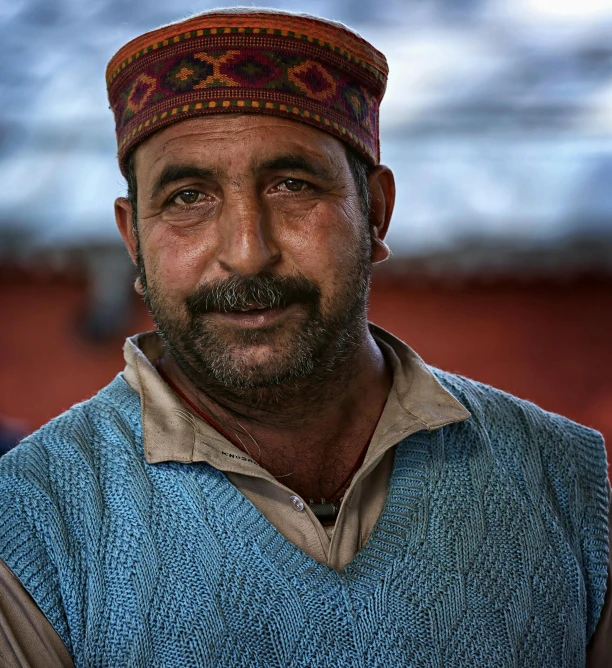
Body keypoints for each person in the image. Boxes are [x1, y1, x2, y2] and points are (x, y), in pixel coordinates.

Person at [0, 8, 609, 667]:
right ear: (133, 240)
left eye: (292, 186)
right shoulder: (30, 518)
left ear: (374, 212)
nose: (247, 252)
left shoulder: (563, 479)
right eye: (187, 197)